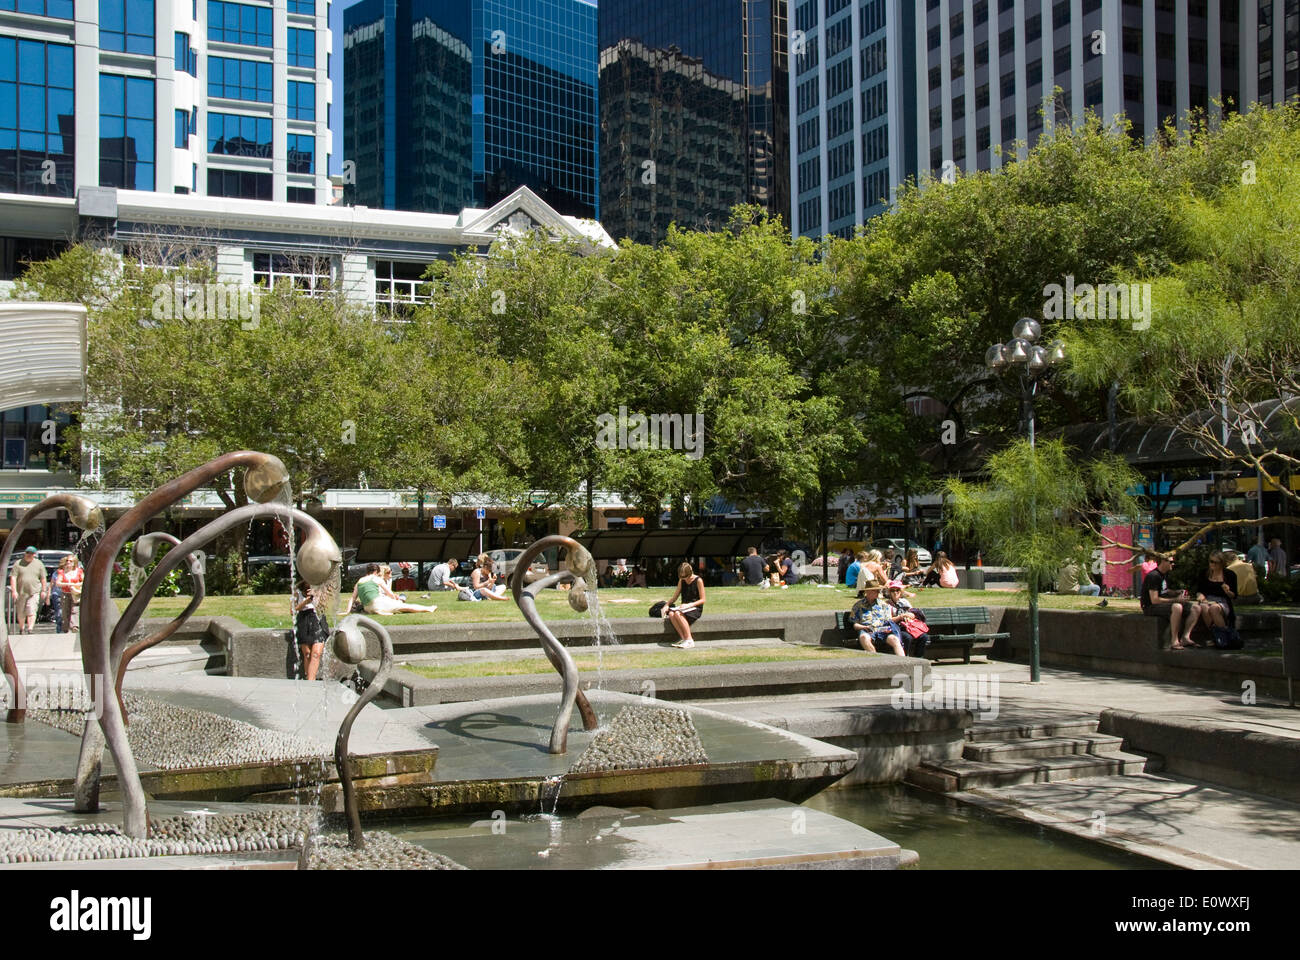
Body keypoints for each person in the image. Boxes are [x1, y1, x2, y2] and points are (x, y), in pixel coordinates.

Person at [1139, 554, 1202, 649]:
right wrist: (1176, 600)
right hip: (1150, 607)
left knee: (1195, 608)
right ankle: (1174, 640)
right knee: (1177, 607)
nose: (1173, 564)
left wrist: (1176, 592)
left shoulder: (1164, 575)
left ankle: (1185, 637)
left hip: (1161, 604)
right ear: (1163, 562)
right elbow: (1154, 600)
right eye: (1171, 562)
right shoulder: (1153, 576)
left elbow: (1164, 590)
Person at [349, 563, 438, 615]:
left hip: (367, 608)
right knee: (406, 607)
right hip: (378, 605)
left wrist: (347, 611)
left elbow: (353, 598)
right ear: (376, 572)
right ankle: (429, 608)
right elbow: (390, 594)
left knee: (397, 603)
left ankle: (383, 611)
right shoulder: (376, 579)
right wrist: (396, 598)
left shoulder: (360, 580)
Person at [849, 578, 906, 655]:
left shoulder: (883, 605)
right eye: (875, 590)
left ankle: (903, 662)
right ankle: (877, 661)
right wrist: (864, 627)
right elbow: (855, 625)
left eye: (878, 590)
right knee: (864, 638)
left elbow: (888, 620)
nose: (878, 592)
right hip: (867, 630)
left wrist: (888, 628)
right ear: (867, 591)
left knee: (895, 639)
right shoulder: (858, 606)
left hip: (882, 630)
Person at [662, 562, 705, 648]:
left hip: (695, 607)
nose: (684, 579)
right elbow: (675, 597)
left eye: (686, 576)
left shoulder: (698, 580)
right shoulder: (682, 581)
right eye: (682, 577)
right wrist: (666, 605)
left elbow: (703, 600)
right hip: (684, 608)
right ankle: (683, 639)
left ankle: (689, 640)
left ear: (690, 573)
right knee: (671, 613)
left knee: (677, 613)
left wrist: (689, 605)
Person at [1195, 551, 1238, 636]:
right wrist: (1200, 595)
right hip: (1207, 600)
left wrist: (1228, 591)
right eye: (1211, 561)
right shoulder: (1204, 573)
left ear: (1222, 563)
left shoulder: (1230, 575)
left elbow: (1234, 595)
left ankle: (1226, 636)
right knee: (1204, 607)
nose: (1212, 564)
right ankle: (1216, 635)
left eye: (1216, 562)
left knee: (1214, 608)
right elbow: (1199, 590)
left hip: (1222, 601)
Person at [8, 546, 48, 635]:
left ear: (34, 555)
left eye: (31, 553)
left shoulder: (39, 564)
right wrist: (14, 591)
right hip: (21, 592)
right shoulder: (18, 564)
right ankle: (22, 629)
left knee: (31, 610)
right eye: (27, 553)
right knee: (21, 612)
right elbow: (13, 577)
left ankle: (30, 629)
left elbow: (43, 578)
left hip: (34, 591)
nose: (28, 555)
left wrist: (44, 590)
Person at [293, 579, 328, 680]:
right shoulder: (297, 591)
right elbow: (293, 610)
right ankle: (308, 679)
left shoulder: (320, 589)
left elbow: (324, 606)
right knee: (307, 654)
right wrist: (305, 602)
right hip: (304, 620)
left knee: (316, 653)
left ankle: (310, 682)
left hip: (318, 619)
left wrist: (316, 595)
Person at [53, 555, 83, 634]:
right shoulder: (62, 572)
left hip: (75, 593)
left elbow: (83, 581)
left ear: (74, 563)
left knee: (75, 610)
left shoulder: (79, 571)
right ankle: (66, 628)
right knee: (65, 612)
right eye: (67, 561)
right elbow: (58, 583)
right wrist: (67, 584)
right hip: (65, 594)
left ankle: (74, 626)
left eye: (70, 561)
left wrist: (76, 585)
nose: (68, 562)